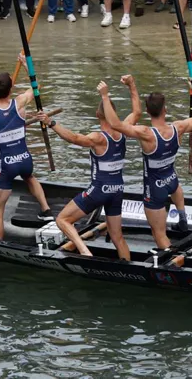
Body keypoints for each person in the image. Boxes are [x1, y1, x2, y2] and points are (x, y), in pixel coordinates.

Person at [37, 81, 139, 260]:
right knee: (117, 237)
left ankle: (85, 252)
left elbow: (74, 138)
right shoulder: (124, 130)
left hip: (99, 190)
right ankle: (128, 267)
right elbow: (137, 112)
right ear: (113, 113)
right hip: (117, 190)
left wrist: (50, 122)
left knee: (62, 220)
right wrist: (132, 86)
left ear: (97, 114)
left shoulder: (97, 138)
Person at [99, 81, 192, 251]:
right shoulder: (178, 128)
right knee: (175, 186)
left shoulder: (146, 134)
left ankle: (172, 258)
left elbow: (115, 124)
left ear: (147, 111)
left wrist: (105, 96)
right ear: (165, 109)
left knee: (159, 234)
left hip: (154, 189)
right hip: (172, 180)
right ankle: (182, 215)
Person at [0, 69, 53, 239]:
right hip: (25, 160)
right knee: (29, 177)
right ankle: (46, 210)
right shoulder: (20, 102)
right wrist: (26, 67)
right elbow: (36, 87)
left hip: (7, 165)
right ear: (11, 89)